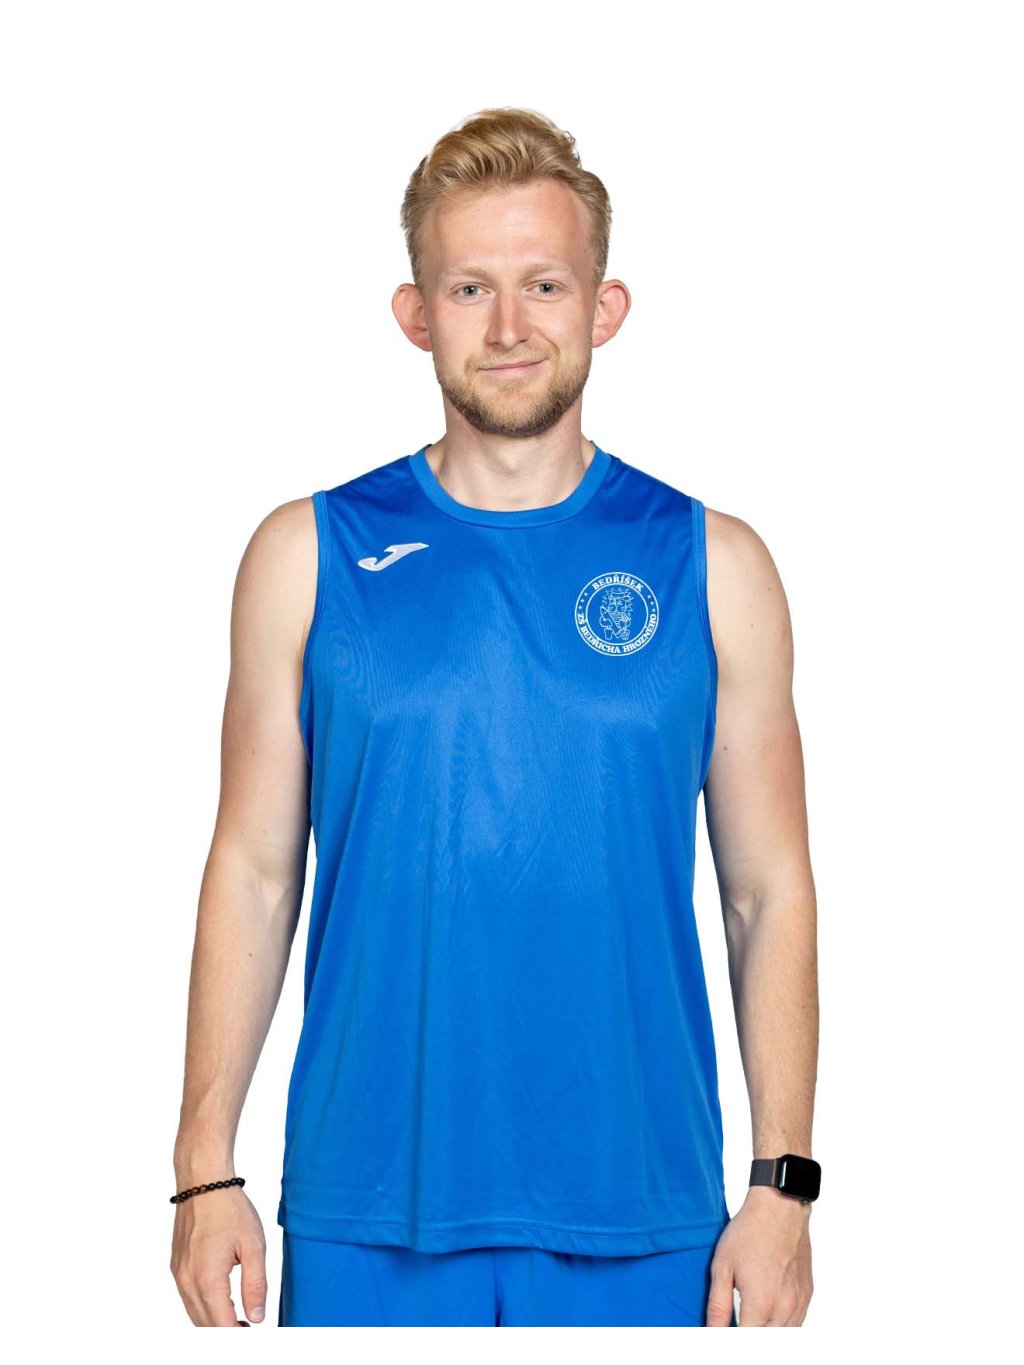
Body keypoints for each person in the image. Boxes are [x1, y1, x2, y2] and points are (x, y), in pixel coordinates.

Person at [170, 106, 820, 1328]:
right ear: (416, 313)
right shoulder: (305, 555)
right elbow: (252, 873)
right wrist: (204, 1168)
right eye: (470, 288)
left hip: (643, 1207)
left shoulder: (714, 564)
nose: (510, 326)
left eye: (544, 285)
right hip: (367, 1203)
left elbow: (766, 890)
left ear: (603, 307)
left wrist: (781, 1187)